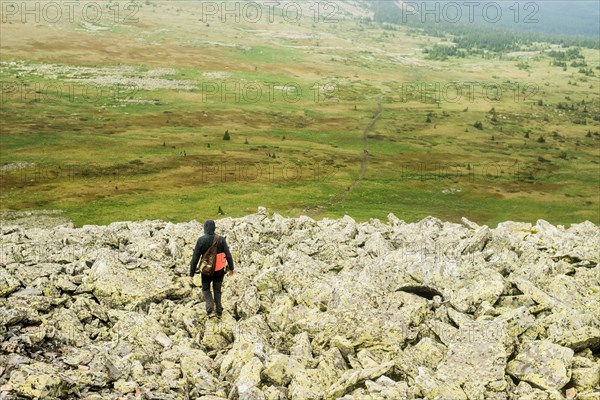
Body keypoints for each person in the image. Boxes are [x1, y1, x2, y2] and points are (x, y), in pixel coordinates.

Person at [189, 220, 234, 317]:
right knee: (217, 289)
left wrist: (191, 273)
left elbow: (195, 258)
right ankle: (219, 311)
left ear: (205, 228)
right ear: (214, 227)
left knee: (206, 289)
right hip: (219, 270)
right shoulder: (221, 239)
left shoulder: (201, 240)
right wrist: (231, 268)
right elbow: (228, 255)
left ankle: (210, 310)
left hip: (206, 271)